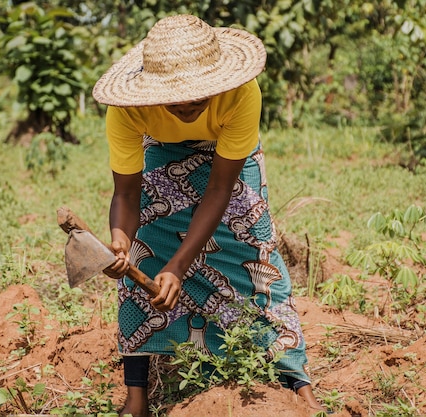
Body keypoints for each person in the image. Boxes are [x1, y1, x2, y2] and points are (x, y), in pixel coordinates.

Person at [92, 14, 325, 417]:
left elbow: (219, 189)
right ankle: (136, 398)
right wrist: (120, 240)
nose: (185, 107)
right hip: (162, 153)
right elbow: (127, 193)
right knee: (145, 253)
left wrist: (180, 266)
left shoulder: (241, 94)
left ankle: (297, 383)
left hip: (229, 162)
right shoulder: (127, 111)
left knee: (254, 256)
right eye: (174, 100)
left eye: (198, 100)